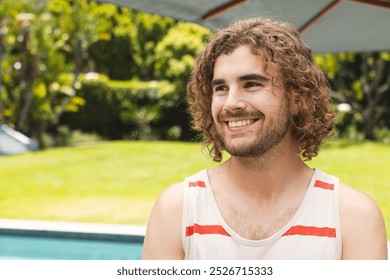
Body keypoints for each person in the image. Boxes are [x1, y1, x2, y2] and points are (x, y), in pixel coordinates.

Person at [142, 17, 388, 260]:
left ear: (296, 99)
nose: (231, 103)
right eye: (221, 88)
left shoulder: (353, 219)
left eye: (250, 84)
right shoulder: (177, 211)